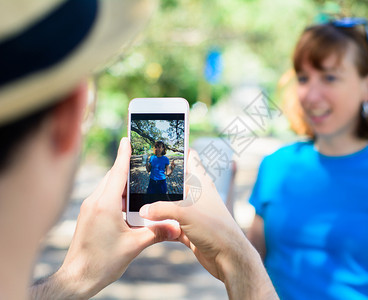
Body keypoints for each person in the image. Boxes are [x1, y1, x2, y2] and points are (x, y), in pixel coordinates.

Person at [0, 1, 277, 299]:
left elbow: (164, 169)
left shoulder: (160, 157)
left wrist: (76, 279)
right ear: (70, 115)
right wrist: (239, 258)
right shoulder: (155, 158)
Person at [247, 17, 368, 300]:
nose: (311, 95)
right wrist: (219, 219)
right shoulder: (275, 167)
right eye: (303, 78)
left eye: (329, 77)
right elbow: (247, 271)